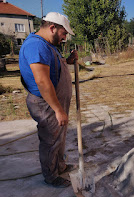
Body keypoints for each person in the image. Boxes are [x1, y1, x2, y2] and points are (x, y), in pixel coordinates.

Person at [19, 12, 78, 187]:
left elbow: (52, 69)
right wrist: (58, 110)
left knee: (59, 138)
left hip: (54, 101)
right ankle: (51, 176)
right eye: (64, 33)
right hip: (45, 104)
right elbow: (43, 81)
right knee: (51, 140)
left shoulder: (47, 45)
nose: (65, 37)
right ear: (52, 28)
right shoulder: (36, 46)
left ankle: (60, 166)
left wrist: (67, 60)